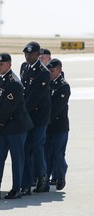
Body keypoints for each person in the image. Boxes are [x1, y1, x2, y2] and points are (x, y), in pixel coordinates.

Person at [0, 53, 33, 199]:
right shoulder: (1, 79)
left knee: (17, 159)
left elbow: (8, 109)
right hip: (3, 127)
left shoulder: (13, 82)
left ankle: (17, 188)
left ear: (9, 65)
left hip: (16, 127)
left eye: (1, 64)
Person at [20, 41, 51, 195]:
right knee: (26, 148)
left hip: (39, 117)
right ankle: (28, 180)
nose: (27, 56)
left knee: (37, 147)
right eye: (26, 53)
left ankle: (43, 178)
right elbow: (24, 92)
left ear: (38, 55)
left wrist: (20, 111)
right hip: (28, 116)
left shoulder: (43, 72)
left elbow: (34, 98)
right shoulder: (25, 68)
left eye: (31, 53)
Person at [45, 58, 70, 190]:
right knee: (47, 153)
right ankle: (46, 178)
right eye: (48, 70)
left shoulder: (63, 85)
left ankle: (61, 176)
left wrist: (44, 120)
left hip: (59, 127)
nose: (50, 73)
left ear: (59, 70)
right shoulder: (47, 83)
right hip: (47, 126)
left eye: (52, 71)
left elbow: (56, 108)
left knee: (57, 153)